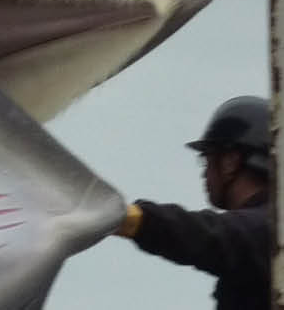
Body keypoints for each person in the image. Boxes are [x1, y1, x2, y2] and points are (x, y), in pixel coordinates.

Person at [114, 95, 272, 310]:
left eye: (206, 160)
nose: (204, 174)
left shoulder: (271, 227)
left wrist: (133, 218)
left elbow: (212, 235)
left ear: (230, 163)